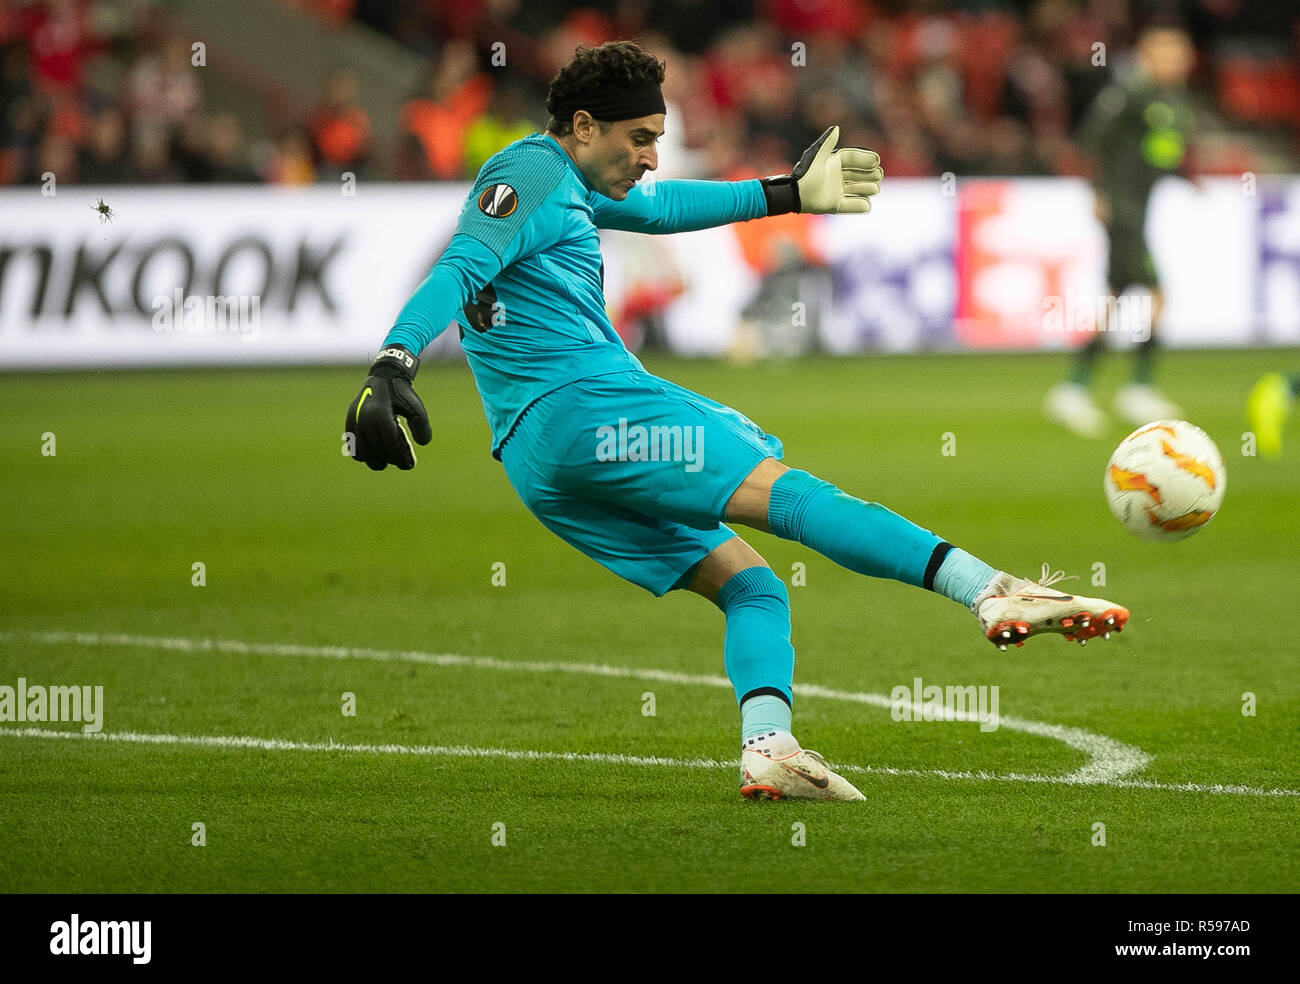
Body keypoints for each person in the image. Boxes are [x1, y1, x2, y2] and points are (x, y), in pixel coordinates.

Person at [345, 41, 1130, 802]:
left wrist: (785, 193)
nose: (652, 156)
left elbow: (657, 209)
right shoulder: (530, 171)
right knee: (793, 497)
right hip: (595, 411)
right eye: (639, 137)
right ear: (582, 125)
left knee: (753, 587)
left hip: (539, 460)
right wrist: (394, 361)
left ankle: (769, 748)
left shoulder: (564, 182)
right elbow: (461, 264)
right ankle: (990, 590)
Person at [1045, 20, 1197, 437]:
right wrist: (1099, 193)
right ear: (1146, 55)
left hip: (1138, 210)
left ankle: (1076, 387)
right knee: (1155, 293)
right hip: (1123, 213)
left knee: (1116, 298)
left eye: (1180, 52)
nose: (1175, 60)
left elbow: (1159, 154)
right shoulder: (1128, 93)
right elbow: (1091, 140)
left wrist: (1187, 177)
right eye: (1166, 51)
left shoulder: (1170, 99)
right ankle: (1136, 387)